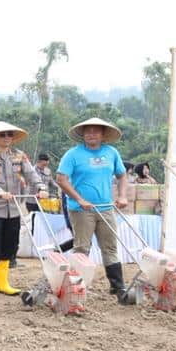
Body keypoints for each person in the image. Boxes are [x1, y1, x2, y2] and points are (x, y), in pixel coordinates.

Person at [57, 117, 129, 301]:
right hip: (81, 209)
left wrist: (122, 196)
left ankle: (118, 287)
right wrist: (79, 199)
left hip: (105, 207)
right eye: (88, 131)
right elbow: (62, 179)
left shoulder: (111, 153)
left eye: (96, 131)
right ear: (82, 134)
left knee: (110, 247)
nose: (91, 135)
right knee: (82, 247)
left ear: (103, 135)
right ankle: (76, 286)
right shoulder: (72, 155)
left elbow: (122, 175)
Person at [0, 122, 46, 298]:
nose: (6, 137)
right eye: (2, 135)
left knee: (10, 244)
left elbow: (31, 174)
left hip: (14, 207)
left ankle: (3, 282)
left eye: (9, 134)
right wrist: (0, 192)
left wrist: (40, 187)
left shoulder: (20, 156)